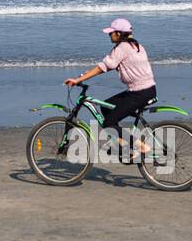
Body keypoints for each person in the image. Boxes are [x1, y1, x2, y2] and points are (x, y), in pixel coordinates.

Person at [64, 18, 156, 152]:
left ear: (119, 33)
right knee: (106, 107)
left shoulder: (122, 47)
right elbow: (109, 65)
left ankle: (140, 146)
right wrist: (82, 76)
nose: (109, 35)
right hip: (145, 89)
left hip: (140, 93)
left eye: (111, 32)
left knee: (108, 123)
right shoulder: (136, 45)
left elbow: (104, 66)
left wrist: (79, 80)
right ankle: (123, 146)